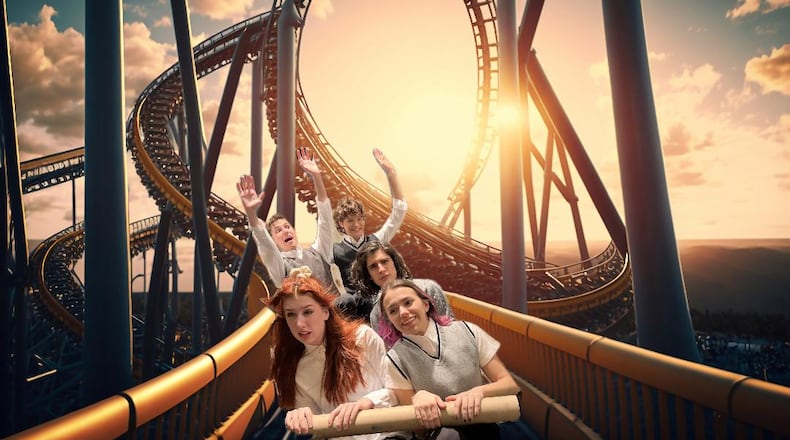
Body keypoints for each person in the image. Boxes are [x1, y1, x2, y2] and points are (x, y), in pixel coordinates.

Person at [266, 267, 409, 440]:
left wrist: (366, 403)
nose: (299, 323)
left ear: (325, 312)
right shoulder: (295, 368)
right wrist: (301, 415)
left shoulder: (363, 338)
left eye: (308, 312)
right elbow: (316, 427)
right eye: (291, 315)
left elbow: (398, 390)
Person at [378, 279, 520, 439]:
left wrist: (478, 392)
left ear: (425, 304)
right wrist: (418, 397)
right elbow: (417, 429)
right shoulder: (394, 359)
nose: (403, 312)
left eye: (408, 302)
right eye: (393, 311)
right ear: (389, 320)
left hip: (481, 424)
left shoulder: (468, 331)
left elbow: (510, 385)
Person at [237, 147, 346, 298]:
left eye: (287, 227)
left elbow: (325, 220)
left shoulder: (318, 252)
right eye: (278, 230)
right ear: (274, 240)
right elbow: (265, 245)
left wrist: (317, 177)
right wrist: (251, 215)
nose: (285, 231)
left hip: (336, 311)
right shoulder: (281, 266)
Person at [333, 148, 407, 295]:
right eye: (350, 221)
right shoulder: (335, 251)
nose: (356, 225)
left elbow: (398, 213)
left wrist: (391, 173)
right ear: (341, 223)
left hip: (380, 298)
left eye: (359, 219)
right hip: (354, 304)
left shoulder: (376, 241)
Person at [348, 241, 453, 333]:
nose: (381, 269)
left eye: (384, 261)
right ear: (369, 275)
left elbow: (450, 329)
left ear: (394, 262)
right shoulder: (376, 314)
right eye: (373, 267)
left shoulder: (427, 289)